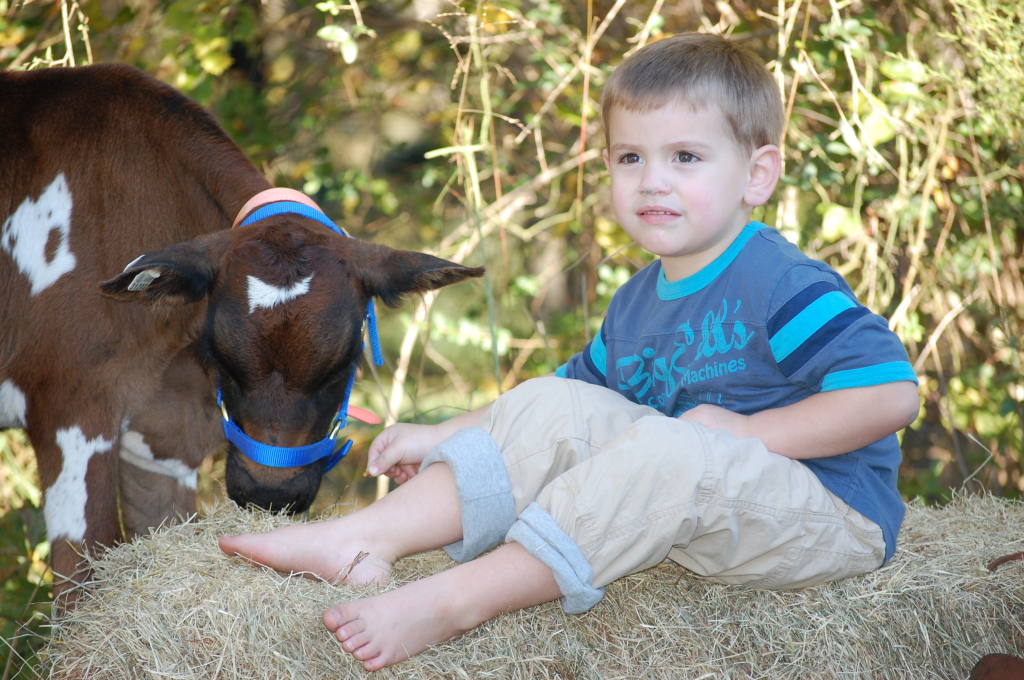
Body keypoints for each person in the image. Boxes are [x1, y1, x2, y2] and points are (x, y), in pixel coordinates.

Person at [218, 32, 920, 672]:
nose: (653, 180)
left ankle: (455, 601)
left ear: (758, 175)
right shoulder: (637, 303)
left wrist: (748, 434)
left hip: (825, 514)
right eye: (631, 158)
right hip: (706, 503)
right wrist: (442, 432)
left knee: (675, 448)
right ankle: (368, 539)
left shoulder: (779, 280)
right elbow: (553, 409)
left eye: (686, 157)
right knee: (559, 402)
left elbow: (890, 395)